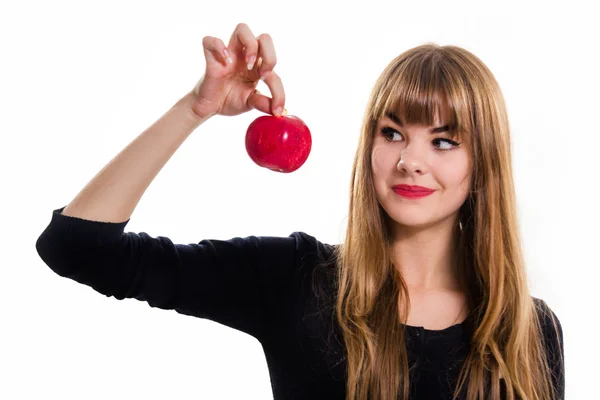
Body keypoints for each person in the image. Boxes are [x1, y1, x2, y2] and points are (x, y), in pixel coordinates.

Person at [35, 22, 564, 400]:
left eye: (444, 141)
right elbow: (78, 247)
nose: (409, 161)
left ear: (484, 163)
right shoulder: (296, 279)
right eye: (393, 133)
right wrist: (194, 109)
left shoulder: (530, 330)